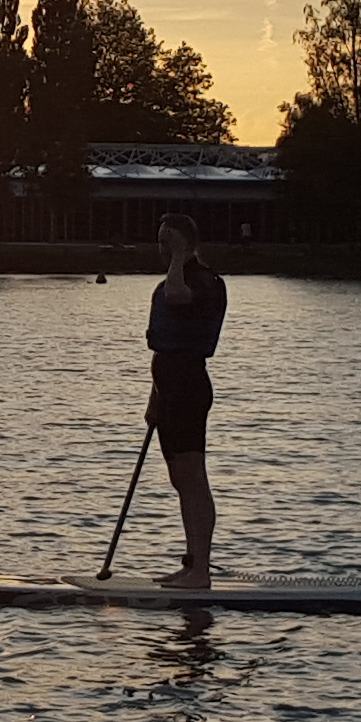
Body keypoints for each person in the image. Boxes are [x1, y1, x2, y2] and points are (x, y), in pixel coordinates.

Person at [143, 214, 226, 585]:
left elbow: (178, 298)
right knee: (180, 479)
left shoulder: (205, 283)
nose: (163, 251)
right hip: (169, 387)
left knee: (193, 477)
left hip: (190, 386)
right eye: (161, 244)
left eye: (169, 243)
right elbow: (162, 346)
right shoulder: (167, 282)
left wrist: (180, 256)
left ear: (188, 244)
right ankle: (192, 563)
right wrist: (153, 397)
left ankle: (201, 569)